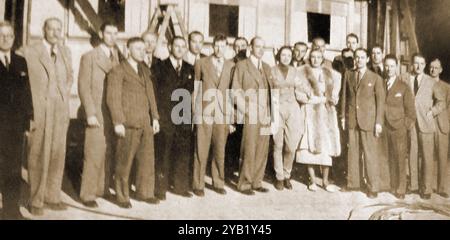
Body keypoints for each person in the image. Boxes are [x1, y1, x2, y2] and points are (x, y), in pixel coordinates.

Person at [21, 17, 73, 215]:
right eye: (50, 28)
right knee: (38, 154)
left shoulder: (65, 52)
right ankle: (36, 200)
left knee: (57, 154)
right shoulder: (29, 51)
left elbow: (70, 76)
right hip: (39, 110)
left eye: (58, 29)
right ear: (44, 29)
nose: (55, 32)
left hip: (60, 110)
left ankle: (52, 196)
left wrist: (64, 95)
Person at [107, 37, 160, 208]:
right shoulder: (118, 70)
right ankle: (122, 196)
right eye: (137, 48)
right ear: (127, 49)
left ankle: (145, 192)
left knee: (147, 161)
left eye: (144, 49)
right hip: (128, 123)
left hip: (145, 122)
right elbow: (113, 98)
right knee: (124, 162)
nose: (142, 52)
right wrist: (118, 122)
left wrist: (155, 117)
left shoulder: (144, 70)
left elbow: (150, 95)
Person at [78, 21, 120, 208]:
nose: (112, 36)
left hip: (113, 113)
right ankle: (88, 194)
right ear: (101, 34)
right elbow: (83, 87)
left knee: (109, 152)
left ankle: (102, 189)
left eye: (115, 33)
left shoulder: (118, 57)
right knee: (93, 153)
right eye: (109, 33)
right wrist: (90, 112)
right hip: (97, 111)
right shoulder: (90, 57)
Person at [153, 36, 195, 199]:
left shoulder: (189, 68)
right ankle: (160, 189)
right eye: (176, 46)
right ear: (170, 47)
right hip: (166, 117)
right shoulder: (160, 66)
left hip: (183, 117)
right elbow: (155, 92)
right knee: (163, 152)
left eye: (182, 46)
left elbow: (191, 93)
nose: (179, 49)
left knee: (182, 152)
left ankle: (180, 186)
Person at [192, 34, 235, 196]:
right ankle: (198, 185)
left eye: (223, 46)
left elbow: (231, 94)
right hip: (204, 113)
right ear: (212, 46)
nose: (219, 49)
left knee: (220, 150)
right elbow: (196, 90)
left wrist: (231, 120)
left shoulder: (232, 66)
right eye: (216, 45)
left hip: (222, 115)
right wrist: (195, 113)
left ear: (227, 48)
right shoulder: (201, 63)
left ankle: (218, 182)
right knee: (201, 149)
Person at [340, 48, 386, 198]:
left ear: (367, 59)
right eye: (356, 57)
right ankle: (353, 183)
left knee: (370, 154)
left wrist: (378, 122)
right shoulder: (348, 74)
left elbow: (381, 103)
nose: (358, 60)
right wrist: (343, 117)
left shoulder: (375, 78)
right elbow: (344, 98)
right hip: (352, 120)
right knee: (352, 152)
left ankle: (373, 187)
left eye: (361, 57)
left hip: (369, 121)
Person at [0, 21, 33, 219]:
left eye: (9, 35)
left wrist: (30, 119)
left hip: (14, 127)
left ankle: (11, 210)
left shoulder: (20, 62)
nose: (6, 39)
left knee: (13, 169)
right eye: (2, 35)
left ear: (14, 38)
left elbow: (26, 93)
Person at [232, 36, 273, 195]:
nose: (261, 49)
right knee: (248, 148)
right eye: (258, 46)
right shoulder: (242, 66)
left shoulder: (267, 68)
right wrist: (246, 110)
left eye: (264, 47)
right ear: (250, 47)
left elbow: (271, 92)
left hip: (265, 114)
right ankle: (244, 184)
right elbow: (235, 90)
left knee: (262, 148)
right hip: (251, 113)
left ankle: (257, 181)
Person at [296, 48, 341, 192]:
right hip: (309, 112)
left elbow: (335, 94)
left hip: (325, 113)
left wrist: (333, 98)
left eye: (318, 57)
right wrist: (313, 99)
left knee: (326, 148)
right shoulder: (302, 72)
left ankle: (326, 181)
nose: (315, 60)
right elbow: (299, 94)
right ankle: (312, 180)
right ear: (310, 58)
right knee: (309, 146)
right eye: (313, 57)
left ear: (323, 59)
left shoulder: (330, 74)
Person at [402, 53, 445, 199]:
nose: (418, 66)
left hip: (426, 123)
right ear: (411, 64)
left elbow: (441, 102)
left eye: (421, 63)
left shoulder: (431, 82)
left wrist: (432, 112)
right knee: (412, 154)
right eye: (415, 63)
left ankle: (426, 189)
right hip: (411, 123)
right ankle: (413, 186)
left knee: (427, 156)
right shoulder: (405, 78)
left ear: (425, 64)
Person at [270, 46, 303, 190]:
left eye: (289, 55)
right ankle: (279, 177)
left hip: (293, 109)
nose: (286, 57)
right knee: (278, 144)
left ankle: (287, 173)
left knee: (291, 145)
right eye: (283, 54)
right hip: (277, 108)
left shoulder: (296, 71)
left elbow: (303, 88)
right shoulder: (271, 70)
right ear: (279, 56)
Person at [383, 54, 416, 199]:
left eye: (391, 66)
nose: (389, 69)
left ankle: (401, 188)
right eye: (386, 66)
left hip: (399, 128)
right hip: (384, 127)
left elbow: (411, 112)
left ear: (396, 67)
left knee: (400, 158)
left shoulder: (403, 87)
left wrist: (405, 126)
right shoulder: (381, 83)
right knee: (388, 157)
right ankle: (391, 184)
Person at [429, 58, 449, 198]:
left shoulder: (446, 87)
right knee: (427, 156)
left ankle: (441, 187)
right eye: (431, 67)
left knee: (442, 156)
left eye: (436, 68)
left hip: (442, 125)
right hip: (428, 124)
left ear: (441, 70)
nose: (433, 70)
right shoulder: (424, 83)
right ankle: (427, 186)